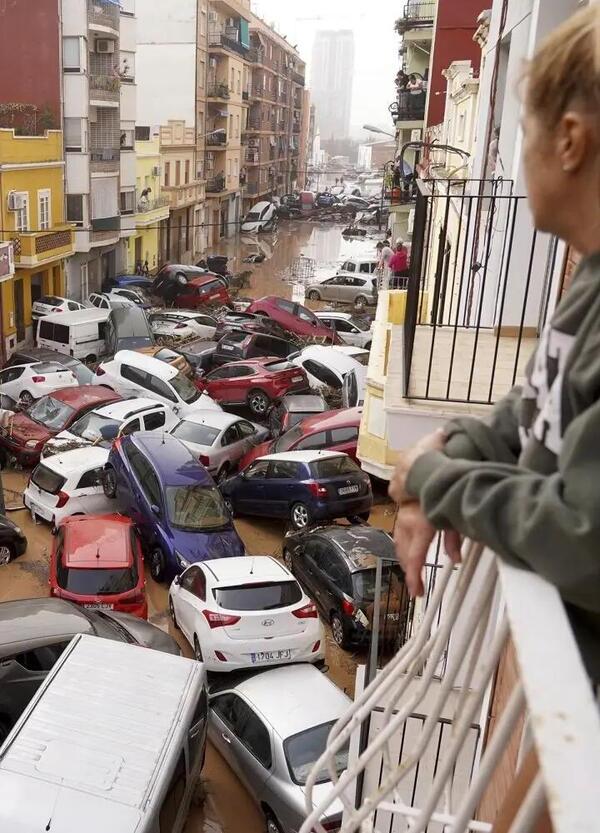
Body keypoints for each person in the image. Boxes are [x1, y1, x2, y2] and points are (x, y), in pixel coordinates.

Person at [389, 4, 600, 684]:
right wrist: (457, 443)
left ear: (569, 140)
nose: (515, 148)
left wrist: (434, 479)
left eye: (522, 128)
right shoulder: (589, 274)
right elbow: (536, 400)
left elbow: (586, 538)